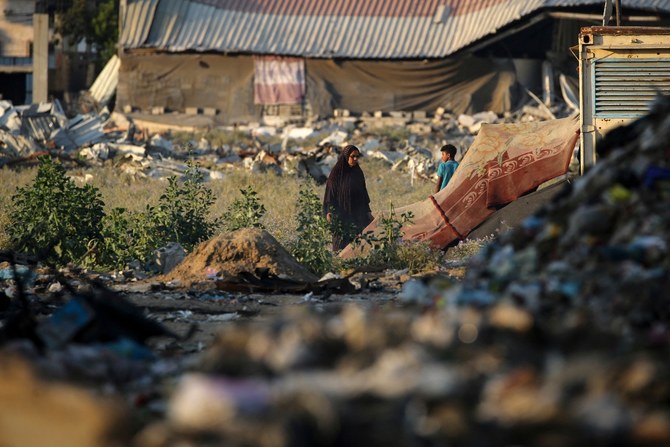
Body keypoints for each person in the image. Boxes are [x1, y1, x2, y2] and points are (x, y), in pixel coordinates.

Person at [323, 144, 374, 251]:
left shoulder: (358, 172)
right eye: (352, 156)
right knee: (341, 245)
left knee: (360, 244)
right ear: (346, 157)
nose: (355, 159)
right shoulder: (336, 174)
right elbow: (330, 195)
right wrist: (329, 212)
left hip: (357, 214)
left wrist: (368, 212)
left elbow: (363, 194)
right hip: (341, 214)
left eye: (357, 156)